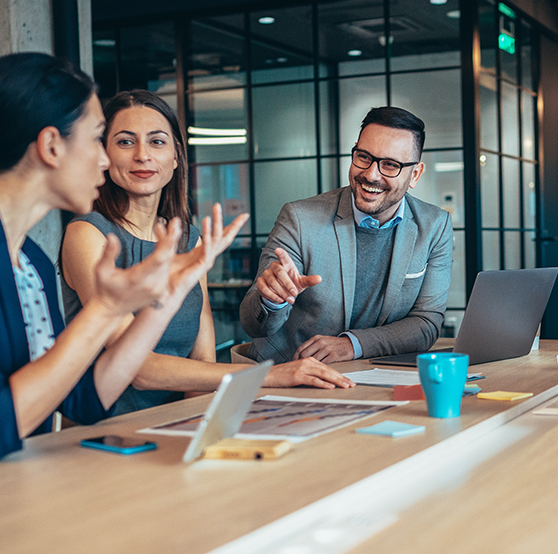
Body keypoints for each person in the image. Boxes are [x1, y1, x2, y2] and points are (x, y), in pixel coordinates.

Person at [0, 54, 243, 462]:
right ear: (51, 146)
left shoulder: (31, 261)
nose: (105, 158)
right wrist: (107, 310)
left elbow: (83, 400)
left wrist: (165, 298)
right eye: (99, 138)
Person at [60, 90, 352, 415]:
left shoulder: (188, 239)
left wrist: (198, 426)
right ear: (104, 154)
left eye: (157, 142)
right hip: (104, 432)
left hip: (176, 423)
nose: (142, 155)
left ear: (175, 157)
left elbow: (202, 359)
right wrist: (269, 375)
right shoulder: (87, 234)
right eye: (125, 142)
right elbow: (135, 367)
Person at [239, 106, 454, 363]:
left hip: (371, 376)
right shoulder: (299, 218)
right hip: (288, 375)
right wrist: (272, 300)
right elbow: (254, 325)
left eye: (390, 165)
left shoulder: (434, 226)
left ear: (414, 174)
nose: (371, 174)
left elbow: (426, 323)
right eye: (364, 157)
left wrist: (351, 345)